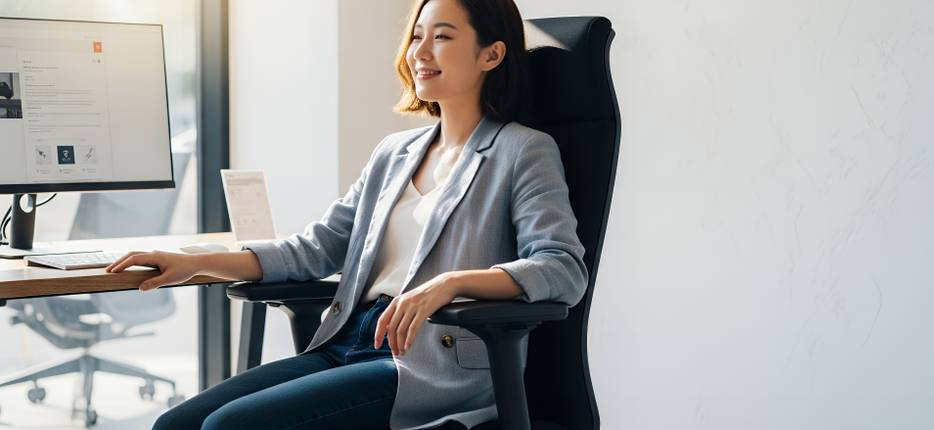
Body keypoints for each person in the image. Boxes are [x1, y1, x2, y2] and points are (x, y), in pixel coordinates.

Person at [107, 0, 588, 428]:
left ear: (491, 55)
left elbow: (562, 267)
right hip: (349, 340)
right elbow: (315, 250)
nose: (420, 51)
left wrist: (452, 283)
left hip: (426, 362)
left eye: (442, 36)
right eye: (417, 35)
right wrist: (197, 261)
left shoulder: (522, 150)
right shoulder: (395, 152)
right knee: (176, 424)